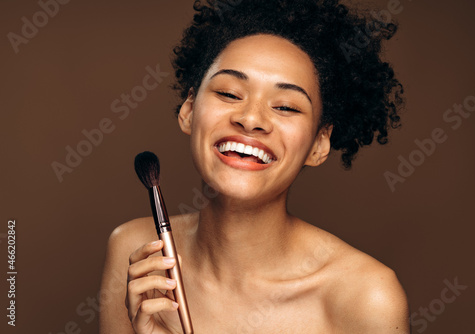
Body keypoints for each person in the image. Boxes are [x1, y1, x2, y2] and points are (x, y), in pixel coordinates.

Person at [100, 0, 409, 333]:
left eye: (286, 107)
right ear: (189, 109)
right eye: (230, 93)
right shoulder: (138, 256)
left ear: (319, 144)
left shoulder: (366, 297)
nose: (250, 119)